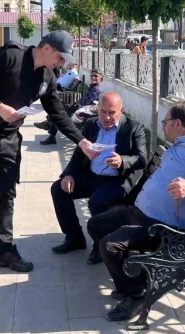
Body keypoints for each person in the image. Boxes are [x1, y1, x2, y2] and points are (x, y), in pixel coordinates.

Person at [0, 30, 98, 286]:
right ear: (46, 48)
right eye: (59, 56)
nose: (61, 62)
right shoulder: (12, 56)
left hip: (10, 139)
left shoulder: (47, 77)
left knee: (7, 194)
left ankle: (5, 250)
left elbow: (57, 113)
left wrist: (81, 140)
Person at [87, 101, 185, 322]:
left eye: (165, 122)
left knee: (109, 246)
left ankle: (137, 294)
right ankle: (127, 281)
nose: (163, 126)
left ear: (177, 124)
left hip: (161, 228)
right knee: (96, 225)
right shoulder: (180, 146)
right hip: (142, 214)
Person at [50, 92, 147, 264]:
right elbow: (79, 153)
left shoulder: (134, 127)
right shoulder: (91, 124)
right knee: (58, 189)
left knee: (97, 201)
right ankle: (74, 238)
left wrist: (122, 161)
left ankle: (99, 246)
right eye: (103, 112)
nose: (107, 117)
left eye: (112, 112)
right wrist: (69, 174)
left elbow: (142, 158)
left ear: (121, 111)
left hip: (118, 180)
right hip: (92, 176)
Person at [39, 69, 104, 145]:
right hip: (80, 107)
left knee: (58, 111)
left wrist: (76, 103)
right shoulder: (93, 87)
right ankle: (48, 126)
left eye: (96, 76)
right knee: (58, 109)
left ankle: (48, 125)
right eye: (92, 76)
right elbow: (84, 100)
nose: (93, 77)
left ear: (101, 79)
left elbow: (85, 102)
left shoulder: (96, 89)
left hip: (83, 110)